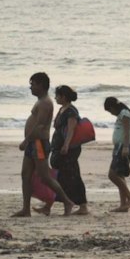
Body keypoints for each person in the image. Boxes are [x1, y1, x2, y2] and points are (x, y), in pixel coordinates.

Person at [13, 72, 74, 217]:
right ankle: (25, 209)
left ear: (41, 85)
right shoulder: (40, 101)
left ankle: (67, 201)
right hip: (32, 143)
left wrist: (25, 140)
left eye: (33, 84)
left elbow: (40, 126)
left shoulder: (45, 102)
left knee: (44, 176)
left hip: (38, 143)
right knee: (25, 174)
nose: (31, 88)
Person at [39, 85, 88, 215]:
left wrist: (66, 145)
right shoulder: (62, 109)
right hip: (58, 147)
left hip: (69, 149)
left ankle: (82, 206)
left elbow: (71, 130)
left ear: (64, 97)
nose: (55, 98)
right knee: (59, 176)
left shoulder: (71, 111)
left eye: (57, 96)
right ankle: (49, 206)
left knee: (72, 177)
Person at [104, 96, 130, 212]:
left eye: (110, 110)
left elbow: (127, 131)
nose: (111, 113)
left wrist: (126, 147)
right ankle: (123, 204)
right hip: (119, 147)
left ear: (113, 107)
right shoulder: (122, 114)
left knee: (112, 175)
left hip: (123, 147)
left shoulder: (125, 114)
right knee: (120, 175)